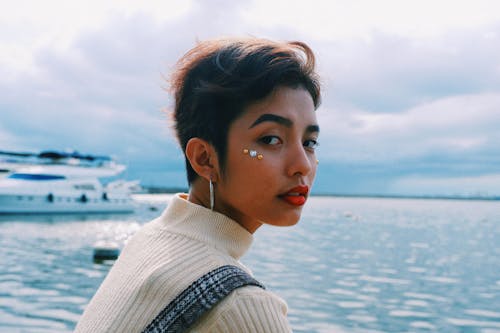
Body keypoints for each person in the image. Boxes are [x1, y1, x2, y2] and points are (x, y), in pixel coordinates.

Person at [75, 37, 321, 333]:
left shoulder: (150, 240)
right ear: (205, 158)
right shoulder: (240, 307)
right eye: (270, 140)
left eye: (309, 142)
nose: (302, 165)